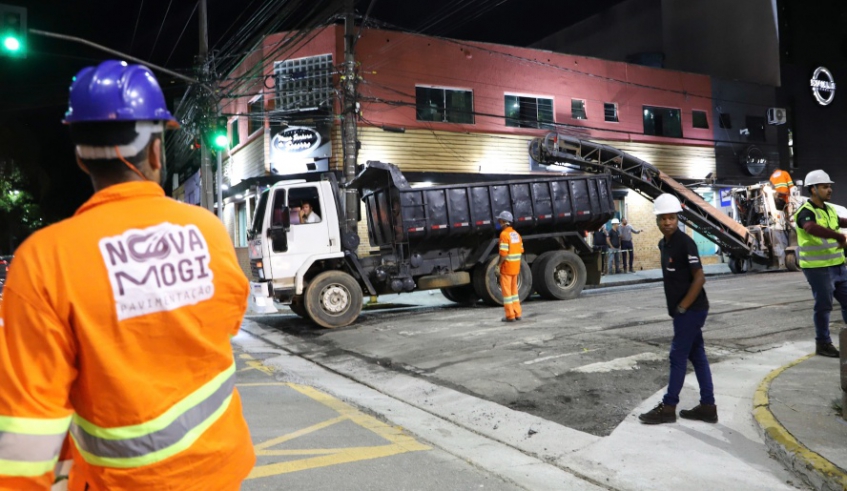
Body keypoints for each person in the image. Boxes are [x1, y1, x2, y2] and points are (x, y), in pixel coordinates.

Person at [0, 61, 255, 490]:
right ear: (156, 152)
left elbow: (29, 421)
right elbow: (226, 318)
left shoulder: (43, 260)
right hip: (218, 473)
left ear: (81, 158)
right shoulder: (207, 231)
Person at [639, 194, 717, 425]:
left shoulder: (685, 243)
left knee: (677, 356)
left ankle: (668, 407)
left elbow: (699, 278)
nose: (667, 222)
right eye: (663, 218)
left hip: (692, 310)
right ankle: (708, 407)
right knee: (698, 357)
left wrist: (683, 306)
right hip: (682, 311)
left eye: (671, 218)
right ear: (657, 221)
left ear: (677, 218)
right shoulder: (664, 244)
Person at [793, 170, 847, 358]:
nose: (829, 189)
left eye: (829, 186)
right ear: (813, 189)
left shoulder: (829, 209)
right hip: (818, 268)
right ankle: (822, 343)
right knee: (824, 305)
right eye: (825, 186)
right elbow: (811, 227)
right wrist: (838, 236)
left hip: (838, 265)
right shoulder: (805, 213)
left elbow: (838, 221)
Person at [497, 211, 523, 322]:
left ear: (503, 221)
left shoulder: (504, 235)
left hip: (507, 268)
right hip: (515, 267)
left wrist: (498, 266)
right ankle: (517, 313)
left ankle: (510, 316)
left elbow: (503, 253)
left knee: (507, 294)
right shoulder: (516, 234)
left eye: (499, 220)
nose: (498, 222)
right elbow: (521, 250)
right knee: (514, 293)